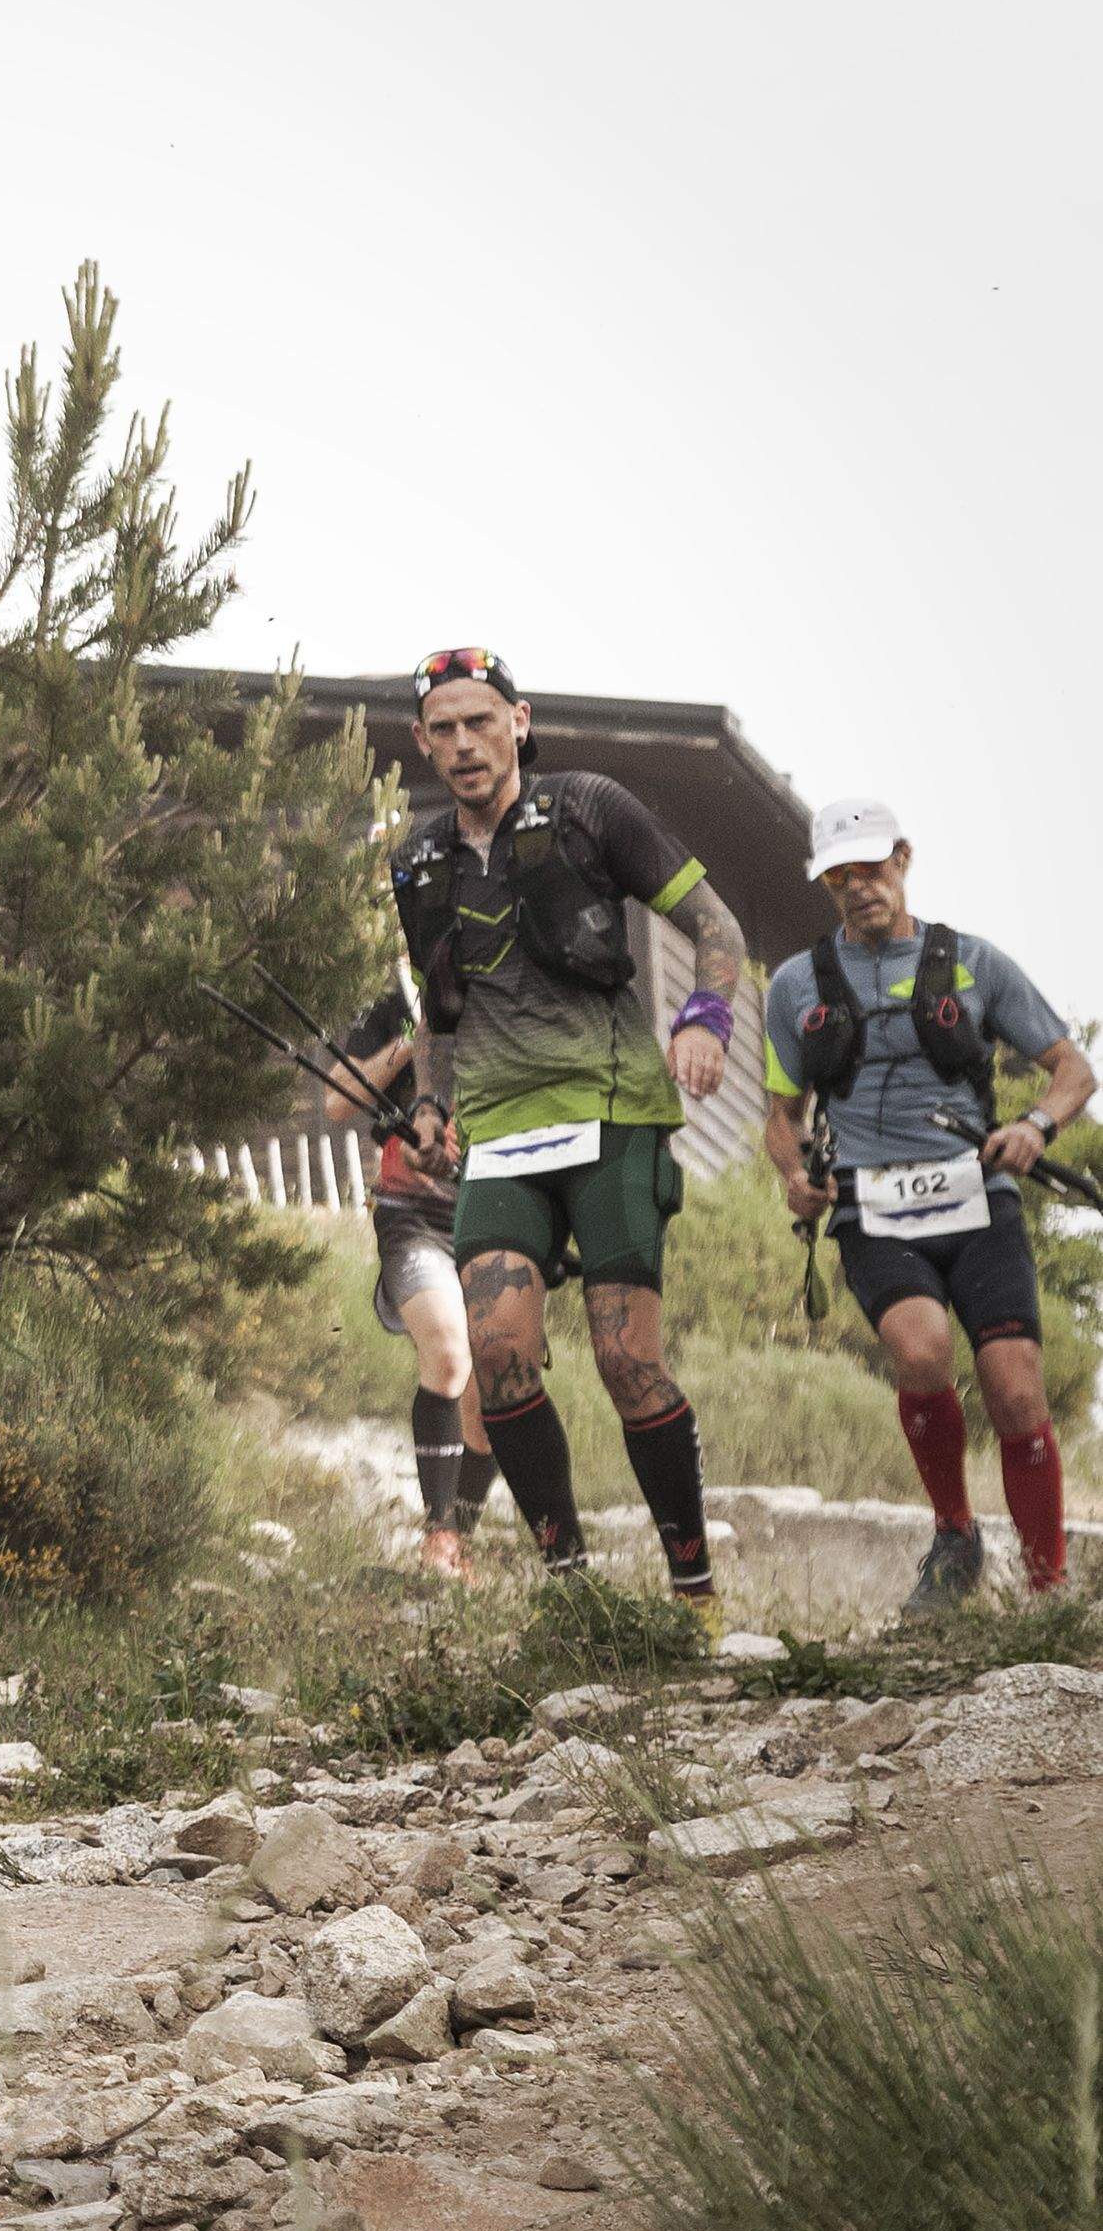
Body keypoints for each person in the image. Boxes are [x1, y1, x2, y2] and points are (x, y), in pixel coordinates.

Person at [388, 647, 749, 1617]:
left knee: (625, 1359)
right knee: (498, 1356)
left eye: (480, 722)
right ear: (422, 743)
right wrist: (430, 1102)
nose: (464, 744)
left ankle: (693, 1590)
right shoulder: (416, 861)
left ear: (518, 720)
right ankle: (571, 1588)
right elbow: (438, 1007)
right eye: (445, 729)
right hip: (501, 1132)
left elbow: (718, 927)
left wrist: (705, 1020)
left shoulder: (591, 806)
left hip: (614, 1110)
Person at [759, 797, 1093, 1613]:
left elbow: (1072, 1070)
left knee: (1015, 1389)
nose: (859, 887)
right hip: (870, 1209)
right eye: (840, 876)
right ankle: (955, 1535)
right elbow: (780, 1117)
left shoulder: (975, 962)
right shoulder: (795, 984)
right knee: (920, 1350)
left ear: (902, 859)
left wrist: (1034, 1127)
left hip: (978, 1200)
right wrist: (792, 1176)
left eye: (871, 868)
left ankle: (1045, 1584)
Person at [318, 972, 496, 1578]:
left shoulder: (509, 980)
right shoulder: (396, 999)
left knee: (494, 1387)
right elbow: (337, 1100)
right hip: (409, 1212)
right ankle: (439, 1532)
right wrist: (413, 1041)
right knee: (448, 1350)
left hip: (496, 1204)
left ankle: (459, 1535)